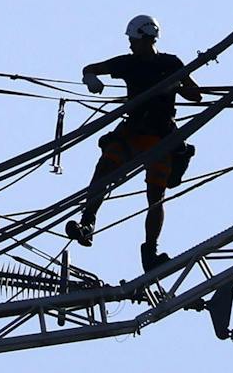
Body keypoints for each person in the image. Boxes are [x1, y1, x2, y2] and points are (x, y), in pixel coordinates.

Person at [67, 14, 202, 272]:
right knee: (104, 169)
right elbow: (92, 68)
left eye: (133, 40)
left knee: (156, 197)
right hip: (134, 130)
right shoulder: (128, 64)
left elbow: (195, 95)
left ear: (144, 39)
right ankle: (88, 224)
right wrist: (91, 79)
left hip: (160, 136)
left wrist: (176, 83)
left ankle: (150, 252)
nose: (130, 45)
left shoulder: (171, 64)